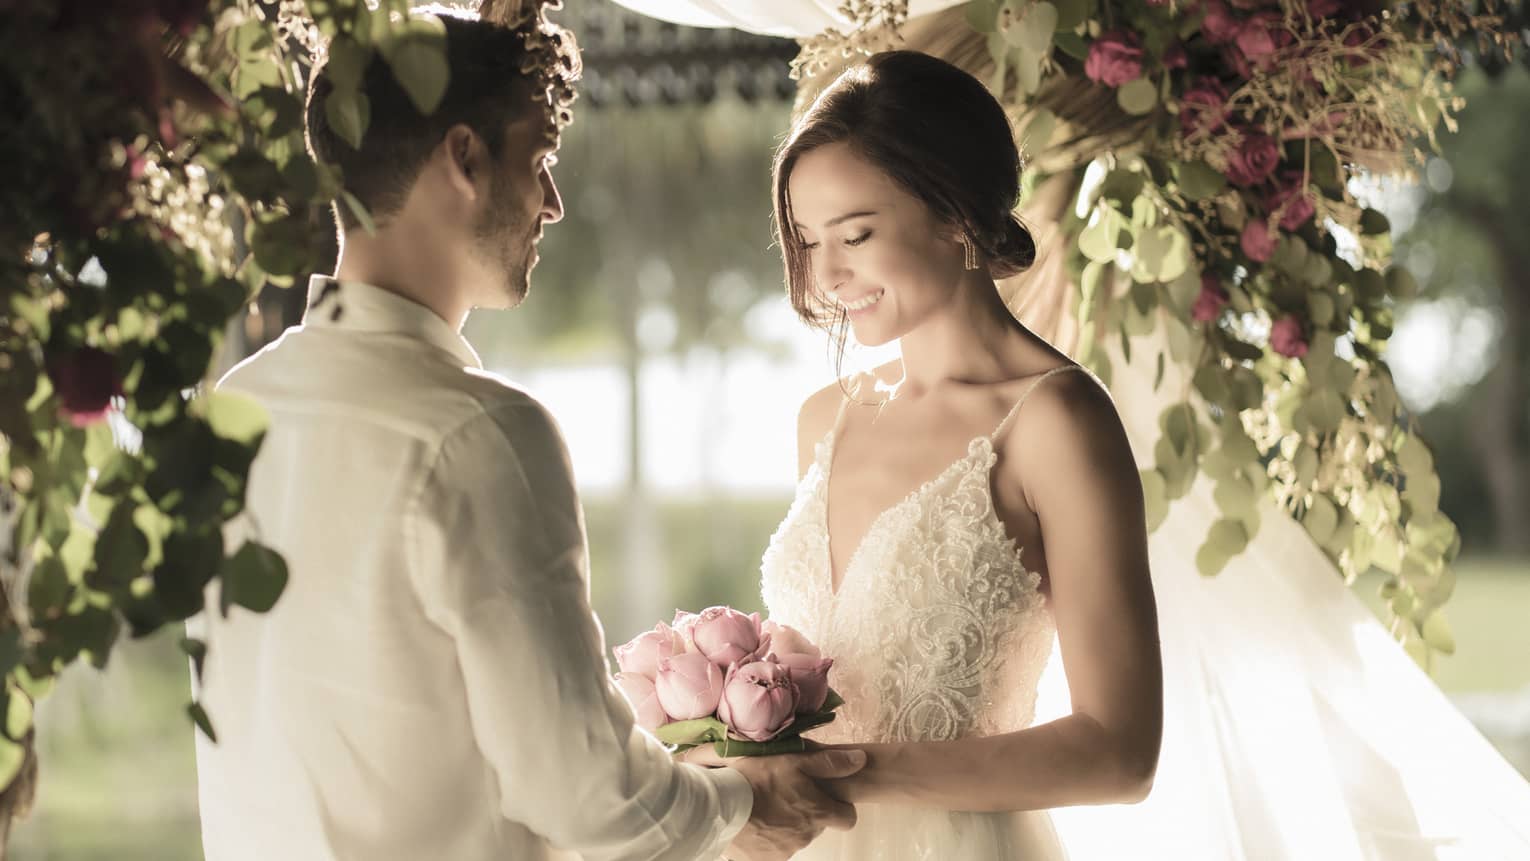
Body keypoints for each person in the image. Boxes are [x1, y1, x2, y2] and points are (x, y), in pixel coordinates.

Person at [189, 9, 864, 861]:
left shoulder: (231, 409)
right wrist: (739, 799)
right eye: (539, 160)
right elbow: (591, 800)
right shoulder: (480, 432)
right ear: (464, 159)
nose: (552, 204)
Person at [687, 50, 1163, 859]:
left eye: (857, 234)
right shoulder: (823, 419)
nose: (827, 274)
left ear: (953, 210)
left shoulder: (1057, 422)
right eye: (807, 241)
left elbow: (1121, 752)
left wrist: (855, 772)